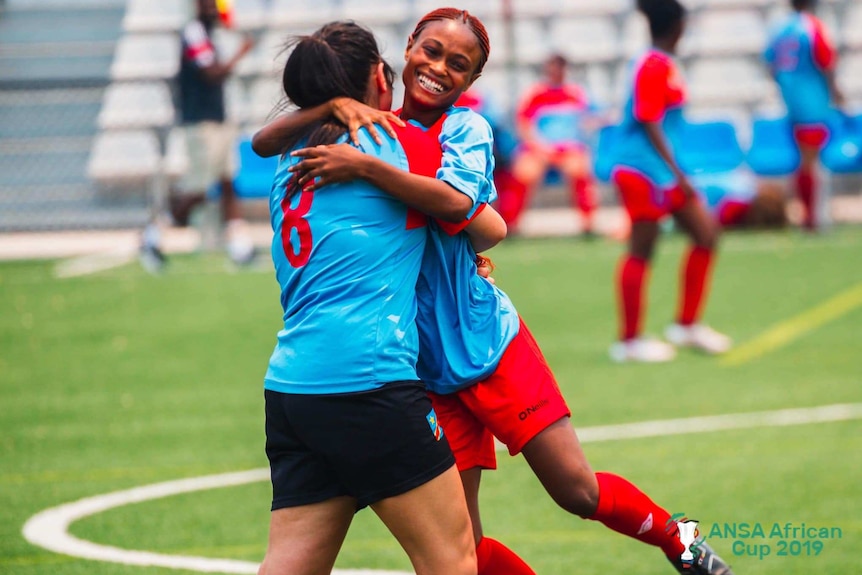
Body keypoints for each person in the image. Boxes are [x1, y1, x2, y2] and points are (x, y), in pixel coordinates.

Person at [256, 8, 735, 575]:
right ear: (404, 50)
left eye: (458, 64)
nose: (438, 68)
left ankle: (680, 541)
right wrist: (340, 114)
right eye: (430, 51)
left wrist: (363, 164)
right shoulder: (371, 135)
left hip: (486, 338)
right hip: (419, 363)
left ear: (473, 80)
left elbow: (482, 221)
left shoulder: (460, 131)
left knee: (575, 490)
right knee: (465, 545)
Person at [258, 21, 479, 575]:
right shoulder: (394, 144)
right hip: (369, 383)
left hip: (292, 389)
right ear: (382, 76)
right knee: (452, 560)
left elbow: (262, 140)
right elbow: (480, 219)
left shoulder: (288, 160)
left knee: (289, 565)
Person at [605, 0, 732, 363]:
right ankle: (629, 341)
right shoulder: (652, 64)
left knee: (706, 234)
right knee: (642, 248)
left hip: (663, 171)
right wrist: (679, 174)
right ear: (676, 25)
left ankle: (687, 324)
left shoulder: (662, 63)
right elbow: (648, 119)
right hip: (641, 169)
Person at [170, 0, 256, 265]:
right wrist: (241, 53)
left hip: (219, 120)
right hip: (201, 122)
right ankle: (154, 234)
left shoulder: (212, 35)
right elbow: (211, 73)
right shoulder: (194, 32)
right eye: (206, 5)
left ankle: (239, 248)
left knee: (228, 182)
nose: (211, 10)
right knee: (198, 189)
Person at [763, 0, 844, 231]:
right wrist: (836, 93)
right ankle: (812, 219)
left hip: (792, 104)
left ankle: (810, 215)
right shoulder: (812, 27)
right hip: (814, 104)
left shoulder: (780, 29)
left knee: (805, 161)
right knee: (811, 161)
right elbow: (826, 62)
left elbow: (770, 64)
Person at [509, 53, 600, 236]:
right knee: (523, 173)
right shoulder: (536, 93)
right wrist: (539, 146)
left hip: (568, 149)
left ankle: (588, 224)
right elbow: (523, 124)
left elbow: (589, 119)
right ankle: (511, 224)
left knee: (581, 170)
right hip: (539, 148)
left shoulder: (576, 93)